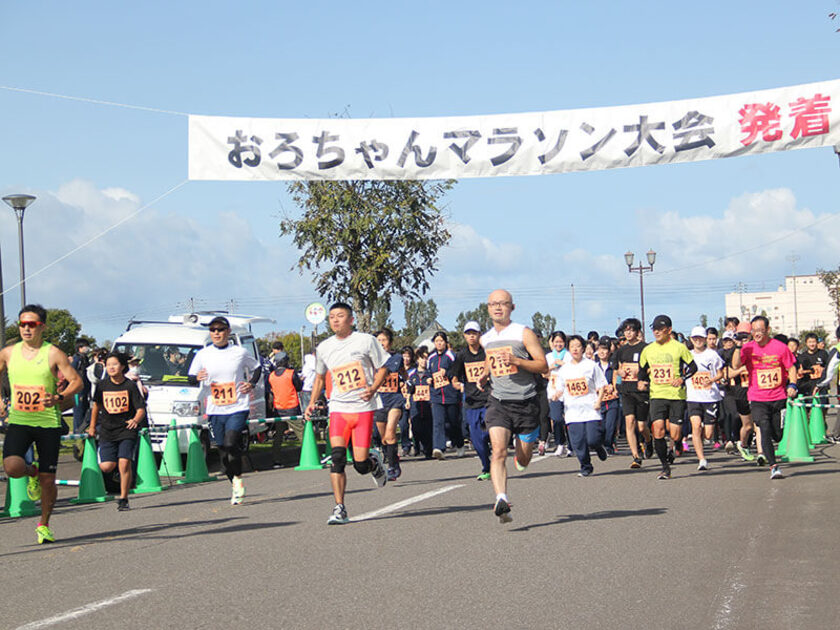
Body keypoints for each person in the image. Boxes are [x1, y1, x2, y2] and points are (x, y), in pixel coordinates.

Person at [0, 305, 82, 543]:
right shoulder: (8, 353)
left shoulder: (53, 353)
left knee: (49, 480)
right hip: (20, 420)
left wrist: (58, 398)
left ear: (42, 327)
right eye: (22, 324)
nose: (26, 328)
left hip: (48, 422)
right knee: (13, 468)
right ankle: (31, 472)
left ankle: (44, 524)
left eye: (32, 324)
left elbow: (77, 382)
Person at [304, 302, 389, 524]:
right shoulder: (324, 347)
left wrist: (373, 388)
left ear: (351, 320)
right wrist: (312, 402)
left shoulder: (366, 341)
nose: (335, 320)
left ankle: (372, 463)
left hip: (362, 409)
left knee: (360, 465)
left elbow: (383, 367)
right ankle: (339, 507)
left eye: (340, 316)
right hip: (338, 409)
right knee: (338, 458)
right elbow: (320, 377)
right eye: (331, 317)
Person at [478, 289, 548, 523]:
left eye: (503, 303)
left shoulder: (523, 333)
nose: (498, 307)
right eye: (493, 304)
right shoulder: (485, 338)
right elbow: (490, 360)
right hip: (498, 401)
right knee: (497, 451)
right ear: (488, 308)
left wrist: (517, 361)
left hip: (526, 401)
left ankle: (525, 451)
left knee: (524, 459)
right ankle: (501, 499)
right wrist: (484, 375)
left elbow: (542, 365)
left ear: (512, 307)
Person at [188, 316, 262, 504]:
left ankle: (236, 479)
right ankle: (235, 481)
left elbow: (257, 367)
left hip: (237, 406)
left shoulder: (239, 351)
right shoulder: (203, 354)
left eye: (220, 329)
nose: (216, 333)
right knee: (222, 451)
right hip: (214, 409)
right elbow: (190, 378)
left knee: (230, 443)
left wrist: (251, 384)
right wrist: (198, 377)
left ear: (228, 332)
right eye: (213, 330)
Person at [732, 315, 798, 479]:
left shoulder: (780, 347)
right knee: (764, 428)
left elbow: (791, 368)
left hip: (778, 397)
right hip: (757, 398)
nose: (757, 334)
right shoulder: (747, 348)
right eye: (754, 331)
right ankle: (773, 466)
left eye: (760, 330)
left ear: (768, 330)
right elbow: (735, 365)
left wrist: (792, 384)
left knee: (778, 434)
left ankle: (774, 451)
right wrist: (739, 346)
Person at [638, 314, 698, 480]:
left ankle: (676, 445)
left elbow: (693, 367)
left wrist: (682, 378)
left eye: (660, 329)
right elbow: (642, 369)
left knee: (676, 433)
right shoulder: (648, 350)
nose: (656, 332)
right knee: (658, 429)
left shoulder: (679, 347)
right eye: (654, 329)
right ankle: (665, 467)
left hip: (676, 395)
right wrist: (642, 381)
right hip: (657, 395)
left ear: (669, 330)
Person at [87, 351, 146, 510]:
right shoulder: (102, 385)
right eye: (108, 365)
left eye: (115, 364)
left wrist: (135, 420)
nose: (111, 367)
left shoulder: (130, 385)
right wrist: (92, 427)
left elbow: (141, 409)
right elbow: (96, 407)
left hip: (126, 430)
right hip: (107, 430)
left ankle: (123, 498)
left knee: (124, 463)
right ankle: (115, 476)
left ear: (122, 367)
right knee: (106, 466)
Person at [549, 335, 608, 476]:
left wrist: (599, 401)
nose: (575, 349)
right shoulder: (564, 369)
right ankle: (586, 466)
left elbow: (601, 385)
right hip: (573, 411)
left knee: (592, 439)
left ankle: (598, 447)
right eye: (572, 347)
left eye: (578, 346)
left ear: (583, 348)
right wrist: (557, 395)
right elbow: (560, 387)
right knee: (578, 442)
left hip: (590, 409)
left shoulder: (591, 366)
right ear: (569, 349)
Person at [451, 321, 492, 480]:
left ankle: (494, 454)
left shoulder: (487, 353)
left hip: (490, 398)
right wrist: (456, 384)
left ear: (479, 335)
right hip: (471, 400)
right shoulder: (461, 355)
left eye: (474, 333)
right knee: (476, 438)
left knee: (490, 432)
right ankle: (486, 466)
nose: (471, 336)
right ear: (464, 336)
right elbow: (454, 376)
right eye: (468, 333)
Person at [611, 318, 651, 468]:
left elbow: (651, 367)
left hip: (641, 391)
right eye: (625, 330)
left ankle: (648, 441)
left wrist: (644, 379)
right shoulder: (621, 350)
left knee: (641, 426)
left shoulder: (645, 348)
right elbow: (615, 365)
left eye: (631, 330)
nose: (628, 333)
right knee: (629, 421)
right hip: (627, 391)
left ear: (637, 332)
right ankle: (636, 456)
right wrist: (619, 371)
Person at [686, 326, 725, 471]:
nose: (697, 340)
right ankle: (701, 459)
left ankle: (702, 438)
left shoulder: (712, 355)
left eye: (700, 338)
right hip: (693, 397)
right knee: (695, 427)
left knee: (708, 433)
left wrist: (712, 380)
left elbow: (721, 373)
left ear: (705, 339)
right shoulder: (687, 355)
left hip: (710, 397)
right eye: (695, 338)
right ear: (691, 339)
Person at [374, 328, 407, 480]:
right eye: (378, 341)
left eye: (384, 340)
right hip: (379, 401)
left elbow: (394, 369)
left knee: (390, 433)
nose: (381, 343)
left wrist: (407, 385)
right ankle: (393, 457)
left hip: (395, 400)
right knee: (384, 439)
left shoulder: (396, 357)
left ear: (390, 342)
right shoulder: (371, 359)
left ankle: (393, 467)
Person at [427, 331, 463, 459]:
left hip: (450, 394)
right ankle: (438, 448)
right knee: (438, 422)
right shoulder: (431, 358)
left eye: (441, 341)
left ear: (446, 342)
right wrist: (429, 379)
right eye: (437, 341)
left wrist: (447, 372)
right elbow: (427, 373)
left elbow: (458, 371)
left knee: (453, 422)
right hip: (436, 395)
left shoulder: (451, 356)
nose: (439, 343)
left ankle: (459, 444)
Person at [268, 352, 303, 468]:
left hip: (278, 408)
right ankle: (309, 455)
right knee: (302, 433)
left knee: (278, 436)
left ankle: (276, 460)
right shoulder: (291, 373)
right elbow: (299, 387)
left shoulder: (271, 376)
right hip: (291, 407)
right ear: (284, 361)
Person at [544, 331, 571, 456]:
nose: (558, 344)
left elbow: (574, 370)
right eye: (556, 342)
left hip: (568, 391)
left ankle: (571, 445)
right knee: (556, 419)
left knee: (570, 419)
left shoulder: (569, 356)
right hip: (553, 391)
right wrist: (551, 367)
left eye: (561, 342)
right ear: (552, 342)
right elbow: (543, 373)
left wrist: (563, 365)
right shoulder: (549, 356)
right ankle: (560, 444)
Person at [407, 346, 433, 458]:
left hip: (428, 405)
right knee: (416, 428)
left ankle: (428, 450)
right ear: (417, 359)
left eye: (426, 358)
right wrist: (408, 400)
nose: (424, 361)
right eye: (422, 358)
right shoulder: (412, 375)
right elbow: (409, 389)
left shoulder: (430, 374)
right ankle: (417, 447)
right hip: (415, 405)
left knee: (428, 428)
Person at [595, 338, 620, 454]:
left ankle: (609, 446)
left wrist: (615, 388)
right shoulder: (594, 367)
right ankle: (602, 445)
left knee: (610, 426)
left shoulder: (614, 366)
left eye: (605, 349)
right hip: (599, 401)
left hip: (612, 400)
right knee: (602, 426)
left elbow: (619, 380)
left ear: (609, 352)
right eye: (600, 349)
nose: (602, 352)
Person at [71, 337, 92, 433]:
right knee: (78, 410)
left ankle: (82, 429)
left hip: (85, 388)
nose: (87, 349)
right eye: (85, 347)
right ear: (80, 347)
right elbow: (71, 372)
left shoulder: (85, 359)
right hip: (78, 389)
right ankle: (77, 430)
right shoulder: (77, 359)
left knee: (85, 408)